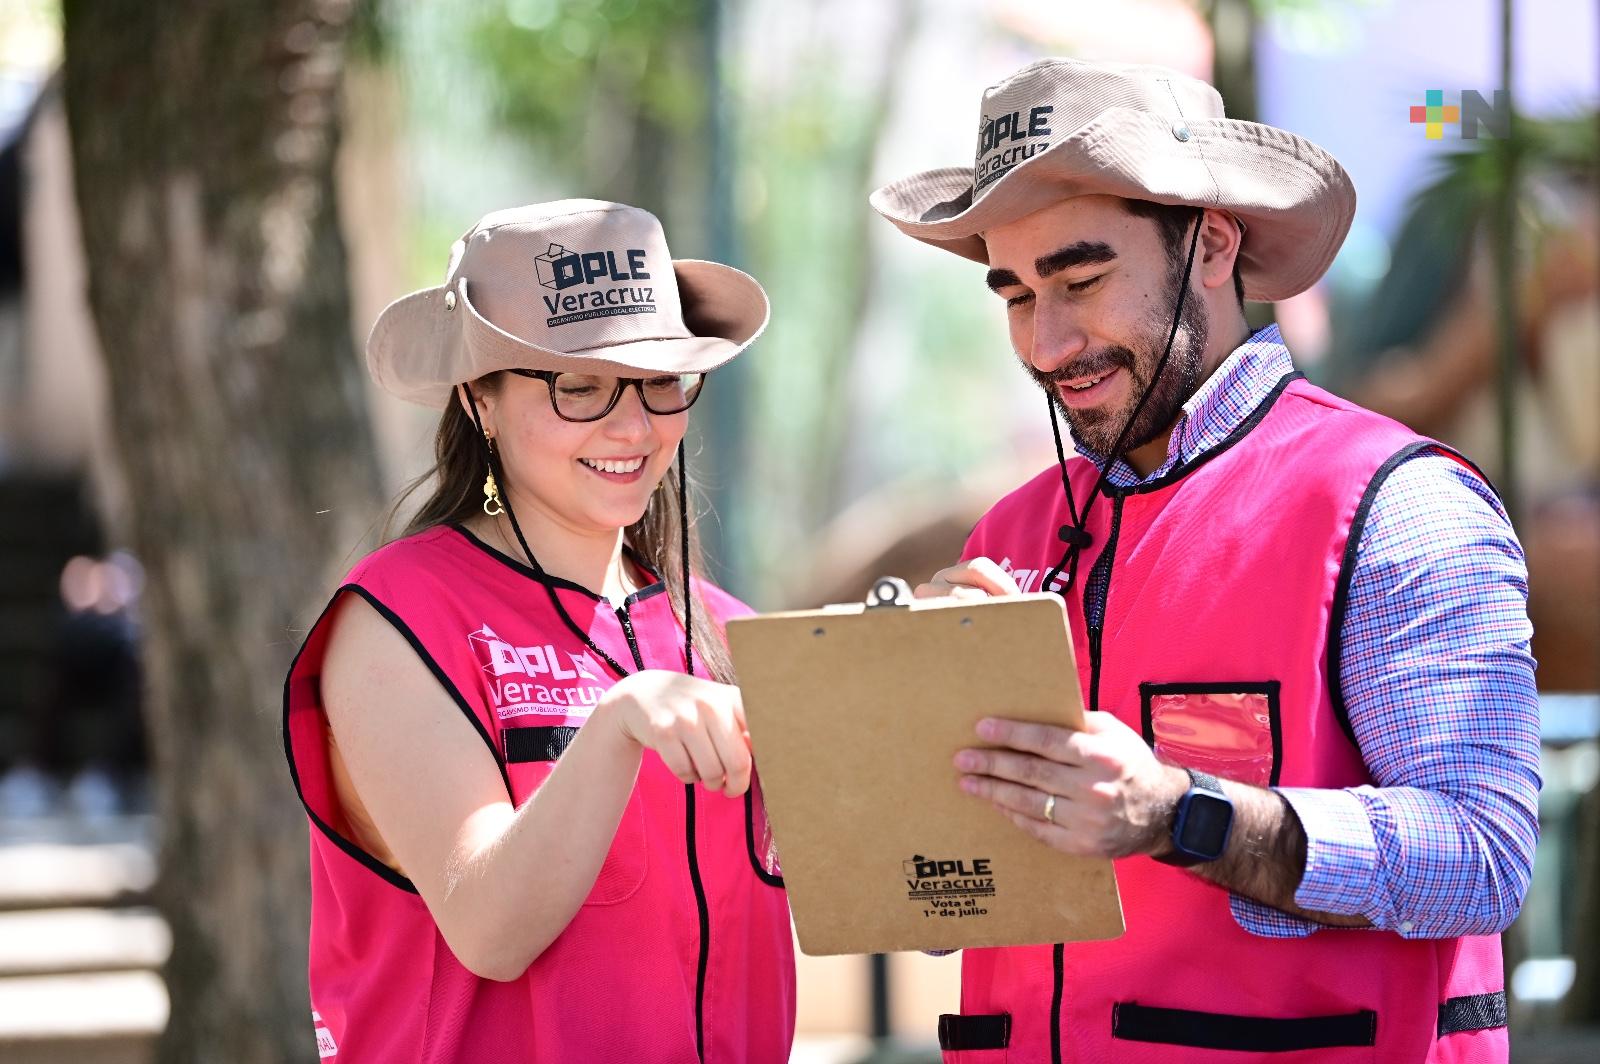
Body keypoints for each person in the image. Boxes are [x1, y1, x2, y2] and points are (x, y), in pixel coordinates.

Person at [871, 59, 1538, 1061]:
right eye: (1014, 294)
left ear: (1212, 243)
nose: (1047, 341)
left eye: (1081, 279)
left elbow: (1481, 857)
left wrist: (1177, 813)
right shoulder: (1002, 536)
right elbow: (939, 892)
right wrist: (897, 750)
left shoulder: (1395, 502)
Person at [282, 200, 794, 1062]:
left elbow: (895, 886)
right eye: (580, 387)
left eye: (660, 381)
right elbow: (489, 927)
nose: (632, 426)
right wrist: (617, 723)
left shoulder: (725, 635)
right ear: (480, 398)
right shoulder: (397, 616)